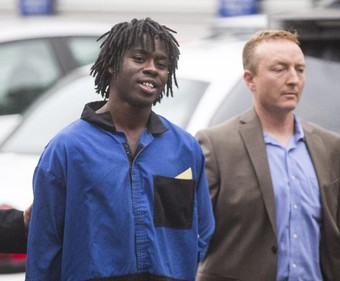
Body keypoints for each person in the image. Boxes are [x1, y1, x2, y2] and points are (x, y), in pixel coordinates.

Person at [26, 18, 215, 281]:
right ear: (113, 64)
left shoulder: (184, 148)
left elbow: (202, 230)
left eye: (161, 64)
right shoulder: (68, 148)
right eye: (139, 58)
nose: (152, 69)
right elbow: (43, 248)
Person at [195, 29, 340, 281]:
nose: (293, 79)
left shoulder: (329, 146)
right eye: (280, 69)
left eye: (299, 69)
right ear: (250, 79)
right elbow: (192, 235)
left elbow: (336, 241)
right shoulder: (216, 144)